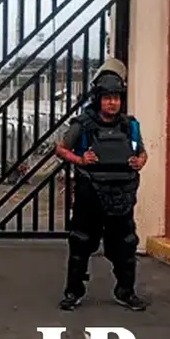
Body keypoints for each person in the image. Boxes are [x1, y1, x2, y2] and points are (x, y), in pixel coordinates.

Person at [55, 61, 148, 311]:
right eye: (107, 98)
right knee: (81, 243)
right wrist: (80, 159)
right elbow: (61, 149)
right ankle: (73, 291)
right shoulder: (83, 125)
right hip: (90, 195)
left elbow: (142, 152)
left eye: (116, 98)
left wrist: (140, 161)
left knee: (126, 244)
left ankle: (126, 291)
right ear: (99, 99)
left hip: (121, 195)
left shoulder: (130, 126)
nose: (112, 103)